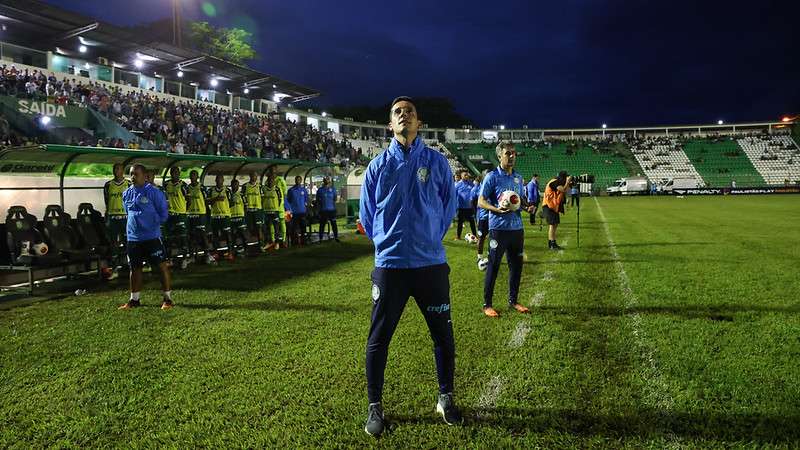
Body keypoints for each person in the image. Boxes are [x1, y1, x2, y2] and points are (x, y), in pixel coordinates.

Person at [360, 96, 460, 437]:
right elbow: (367, 215)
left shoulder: (436, 162)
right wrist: (387, 244)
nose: (405, 116)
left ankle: (445, 396)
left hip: (430, 264)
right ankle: (375, 406)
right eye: (398, 112)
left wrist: (430, 237)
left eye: (410, 112)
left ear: (419, 123)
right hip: (390, 266)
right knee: (379, 338)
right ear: (391, 124)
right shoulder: (377, 166)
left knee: (442, 336)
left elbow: (449, 206)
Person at [478, 141, 534, 318]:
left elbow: (520, 200)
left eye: (514, 153)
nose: (512, 156)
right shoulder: (492, 177)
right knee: (493, 266)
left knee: (516, 266)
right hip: (498, 229)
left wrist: (528, 207)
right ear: (499, 156)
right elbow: (481, 201)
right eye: (508, 153)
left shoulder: (518, 177)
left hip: (517, 229)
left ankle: (513, 301)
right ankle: (487, 305)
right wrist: (496, 209)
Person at [118, 164, 172, 310]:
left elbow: (163, 214)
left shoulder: (154, 192)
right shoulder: (126, 193)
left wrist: (150, 224)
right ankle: (134, 300)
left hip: (151, 237)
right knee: (134, 268)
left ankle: (167, 299)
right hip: (133, 238)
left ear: (145, 176)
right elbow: (128, 213)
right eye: (131, 174)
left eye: (136, 174)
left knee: (161, 267)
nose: (132, 177)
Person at [103, 163, 131, 276]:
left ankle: (130, 264)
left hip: (125, 217)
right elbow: (106, 200)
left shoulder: (128, 184)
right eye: (114, 169)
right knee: (113, 242)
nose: (116, 171)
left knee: (128, 241)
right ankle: (114, 266)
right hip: (113, 217)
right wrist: (108, 214)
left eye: (118, 169)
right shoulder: (108, 185)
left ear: (123, 171)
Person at [186, 170, 216, 264]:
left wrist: (207, 212)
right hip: (190, 214)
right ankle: (192, 256)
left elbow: (207, 200)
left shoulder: (202, 188)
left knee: (203, 235)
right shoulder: (187, 188)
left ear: (197, 177)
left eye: (194, 175)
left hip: (201, 214)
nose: (192, 177)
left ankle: (207, 254)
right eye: (191, 175)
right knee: (192, 235)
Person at [162, 166, 189, 269]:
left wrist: (183, 211)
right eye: (173, 172)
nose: (175, 174)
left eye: (176, 172)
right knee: (169, 238)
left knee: (182, 238)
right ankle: (170, 259)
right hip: (169, 215)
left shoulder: (183, 185)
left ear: (179, 173)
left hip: (181, 215)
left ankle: (184, 259)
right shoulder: (166, 184)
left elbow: (188, 200)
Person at [542, 171, 573, 250]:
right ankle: (552, 244)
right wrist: (567, 182)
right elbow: (563, 190)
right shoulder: (554, 182)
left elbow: (564, 191)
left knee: (555, 224)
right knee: (552, 225)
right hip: (548, 206)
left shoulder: (557, 182)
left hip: (552, 207)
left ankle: (553, 243)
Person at [208, 174, 234, 261]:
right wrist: (216, 199)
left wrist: (224, 208)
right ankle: (216, 253)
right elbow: (208, 202)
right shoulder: (211, 190)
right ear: (215, 181)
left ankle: (230, 253)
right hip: (215, 216)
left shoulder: (227, 191)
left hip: (225, 216)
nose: (219, 181)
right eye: (218, 179)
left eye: (221, 179)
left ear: (223, 181)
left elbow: (231, 203)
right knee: (215, 236)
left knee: (227, 234)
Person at [262, 171, 284, 250]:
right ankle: (268, 242)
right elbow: (261, 198)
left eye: (272, 180)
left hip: (275, 211)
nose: (271, 181)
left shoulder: (277, 189)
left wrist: (275, 207)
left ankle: (277, 243)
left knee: (277, 228)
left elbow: (280, 199)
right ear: (267, 181)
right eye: (269, 180)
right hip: (266, 211)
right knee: (266, 228)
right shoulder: (263, 188)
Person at [473, 171, 490, 269]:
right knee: (482, 237)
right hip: (483, 217)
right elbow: (474, 202)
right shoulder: (480, 188)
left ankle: (490, 256)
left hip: (493, 218)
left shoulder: (493, 186)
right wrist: (476, 216)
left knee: (493, 238)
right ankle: (479, 257)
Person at [243, 172, 265, 247]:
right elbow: (243, 197)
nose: (254, 177)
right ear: (250, 176)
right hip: (249, 210)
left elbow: (262, 197)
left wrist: (261, 207)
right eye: (253, 175)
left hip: (258, 210)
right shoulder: (245, 186)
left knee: (259, 227)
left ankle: (261, 245)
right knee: (249, 228)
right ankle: (247, 245)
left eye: (256, 176)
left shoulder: (260, 186)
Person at [286, 176, 309, 246]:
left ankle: (304, 240)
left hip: (302, 212)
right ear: (295, 180)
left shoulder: (304, 190)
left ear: (301, 181)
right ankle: (294, 241)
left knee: (303, 227)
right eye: (297, 180)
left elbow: (306, 200)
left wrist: (306, 208)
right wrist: (289, 210)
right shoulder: (291, 190)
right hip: (294, 213)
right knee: (294, 228)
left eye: (299, 180)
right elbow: (288, 200)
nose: (298, 181)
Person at [454, 171, 477, 240]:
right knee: (460, 222)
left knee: (472, 222)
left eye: (467, 175)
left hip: (470, 207)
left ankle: (475, 236)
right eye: (465, 175)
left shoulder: (471, 184)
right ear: (461, 176)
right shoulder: (458, 184)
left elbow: (475, 193)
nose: (467, 176)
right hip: (461, 207)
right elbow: (454, 195)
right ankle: (458, 236)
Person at [316, 176, 340, 242]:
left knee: (334, 224)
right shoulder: (320, 190)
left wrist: (335, 208)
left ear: (330, 181)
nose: (327, 180)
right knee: (322, 224)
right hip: (323, 210)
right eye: (326, 179)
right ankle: (320, 238)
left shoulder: (333, 189)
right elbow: (317, 200)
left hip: (331, 210)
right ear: (323, 181)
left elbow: (335, 199)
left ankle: (336, 237)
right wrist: (318, 210)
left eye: (328, 179)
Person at [229, 179, 248, 254]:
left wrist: (244, 216)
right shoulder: (229, 194)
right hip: (231, 217)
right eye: (234, 185)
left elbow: (246, 206)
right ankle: (233, 249)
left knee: (242, 233)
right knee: (233, 234)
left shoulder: (242, 194)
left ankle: (245, 248)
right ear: (231, 185)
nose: (235, 186)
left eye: (236, 185)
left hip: (240, 216)